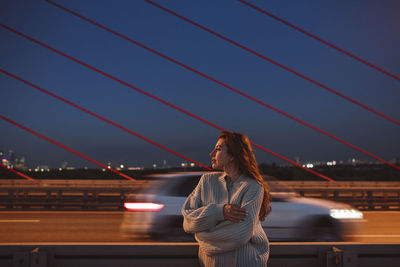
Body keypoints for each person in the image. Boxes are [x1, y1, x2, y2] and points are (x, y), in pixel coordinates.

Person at [182, 131, 271, 267]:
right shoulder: (206, 181)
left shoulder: (253, 187)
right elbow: (188, 223)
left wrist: (202, 234)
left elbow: (240, 234)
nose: (211, 154)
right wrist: (219, 212)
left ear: (232, 156)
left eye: (218, 149)